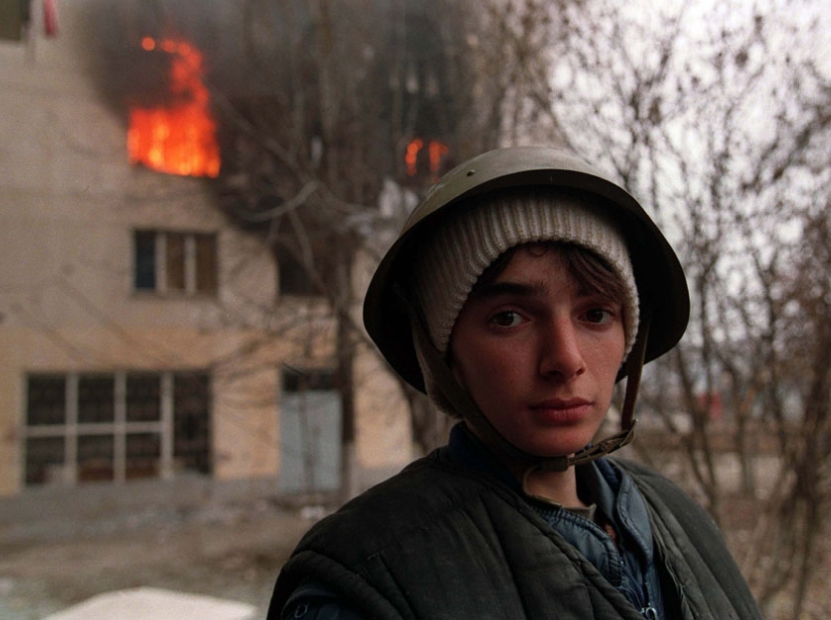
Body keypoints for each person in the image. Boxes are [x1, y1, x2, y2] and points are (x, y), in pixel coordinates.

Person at [266, 147, 762, 620]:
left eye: (595, 314)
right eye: (509, 317)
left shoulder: (677, 519)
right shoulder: (366, 580)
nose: (565, 360)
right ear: (445, 353)